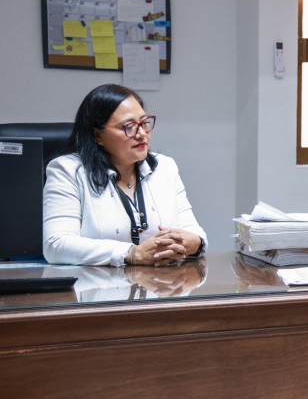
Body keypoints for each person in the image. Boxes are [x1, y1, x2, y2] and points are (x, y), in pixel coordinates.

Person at [43, 84, 207, 267]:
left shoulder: (165, 167)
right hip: (97, 282)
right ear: (98, 135)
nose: (142, 134)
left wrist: (194, 242)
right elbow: (56, 245)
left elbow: (192, 230)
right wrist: (131, 253)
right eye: (129, 127)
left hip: (163, 281)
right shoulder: (67, 171)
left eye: (144, 123)